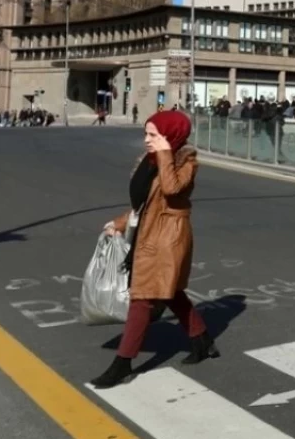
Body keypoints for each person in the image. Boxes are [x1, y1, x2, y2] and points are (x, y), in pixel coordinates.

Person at [91, 111, 218, 388]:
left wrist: (165, 154)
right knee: (170, 292)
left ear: (170, 136)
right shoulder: (148, 162)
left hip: (166, 239)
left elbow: (172, 190)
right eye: (146, 134)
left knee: (143, 298)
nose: (147, 140)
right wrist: (121, 222)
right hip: (148, 234)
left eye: (154, 135)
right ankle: (202, 339)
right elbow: (145, 204)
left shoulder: (186, 161)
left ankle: (123, 363)